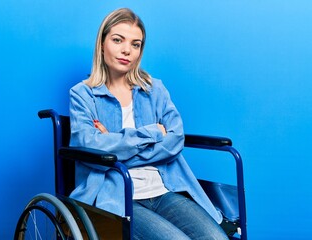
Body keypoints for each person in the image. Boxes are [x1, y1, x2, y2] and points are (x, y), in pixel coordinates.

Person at [69, 8, 228, 240]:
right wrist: (152, 133)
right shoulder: (83, 95)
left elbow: (175, 140)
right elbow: (89, 147)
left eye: (136, 44)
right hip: (118, 195)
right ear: (102, 43)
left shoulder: (154, 89)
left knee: (218, 239)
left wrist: (116, 145)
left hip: (165, 190)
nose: (127, 50)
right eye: (117, 40)